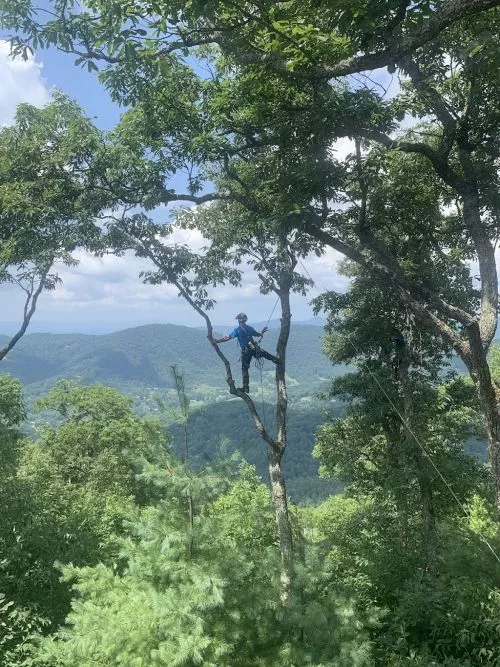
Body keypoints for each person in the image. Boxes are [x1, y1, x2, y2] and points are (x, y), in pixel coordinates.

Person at [213, 313, 279, 393]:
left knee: (245, 369)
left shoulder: (237, 330)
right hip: (253, 348)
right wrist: (262, 331)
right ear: (245, 320)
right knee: (264, 353)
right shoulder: (249, 328)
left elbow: (228, 338)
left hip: (246, 351)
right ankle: (275, 359)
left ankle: (246, 387)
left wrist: (217, 341)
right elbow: (258, 334)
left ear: (239, 321)